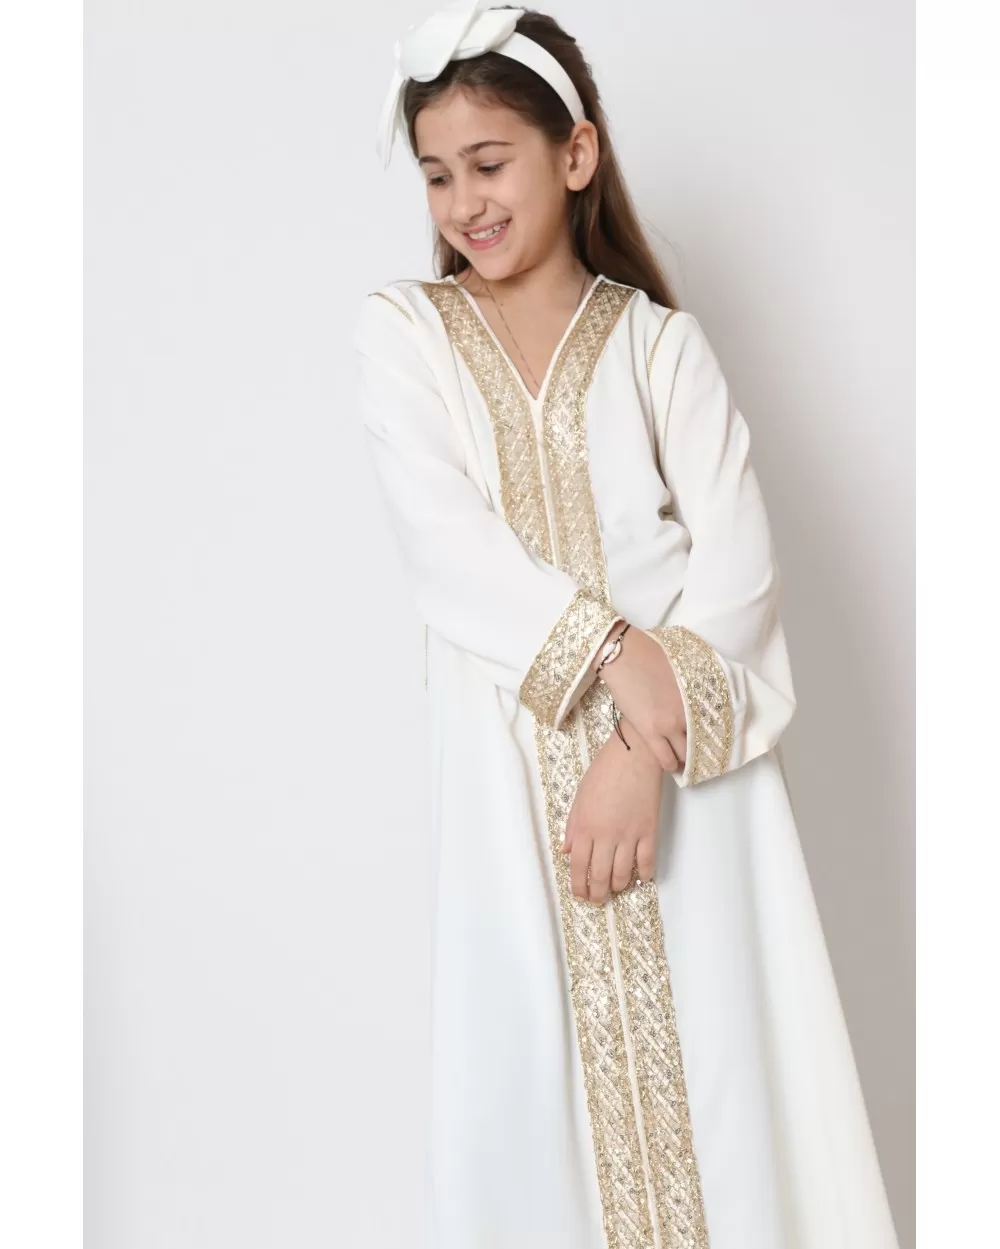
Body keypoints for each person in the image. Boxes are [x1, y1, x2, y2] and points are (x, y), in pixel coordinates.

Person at [352, 4, 900, 1247]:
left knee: (727, 1077)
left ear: (575, 153)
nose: (463, 202)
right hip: (508, 777)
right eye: (437, 174)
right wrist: (612, 654)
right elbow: (448, 547)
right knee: (525, 1095)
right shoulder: (406, 335)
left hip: (694, 783)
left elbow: (739, 568)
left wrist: (637, 751)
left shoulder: (661, 347)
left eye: (488, 163)